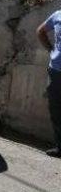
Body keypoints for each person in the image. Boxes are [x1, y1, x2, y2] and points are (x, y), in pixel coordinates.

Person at [37, 10, 61, 158]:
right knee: (56, 110)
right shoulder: (58, 14)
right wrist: (51, 50)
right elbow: (41, 31)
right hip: (56, 71)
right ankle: (60, 147)